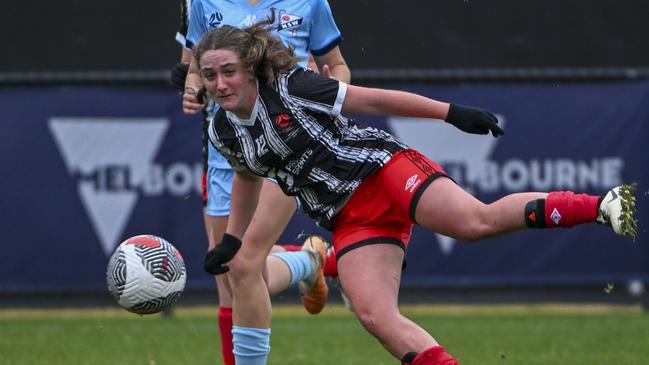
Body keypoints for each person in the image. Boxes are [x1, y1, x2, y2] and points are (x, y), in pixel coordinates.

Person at [195, 17, 638, 365]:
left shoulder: (292, 88)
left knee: (474, 223)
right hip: (349, 219)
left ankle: (601, 206)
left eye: (228, 72)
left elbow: (375, 101)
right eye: (210, 75)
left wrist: (451, 113)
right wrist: (233, 239)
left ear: (250, 68)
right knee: (375, 317)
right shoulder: (221, 127)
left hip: (384, 171)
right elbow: (248, 176)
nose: (219, 84)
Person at [176, 1, 350, 364]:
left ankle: (306, 262)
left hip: (288, 146)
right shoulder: (204, 3)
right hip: (228, 151)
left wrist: (334, 90)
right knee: (230, 277)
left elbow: (340, 66)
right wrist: (193, 90)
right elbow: (192, 68)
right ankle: (307, 261)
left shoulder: (311, 2)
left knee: (244, 264)